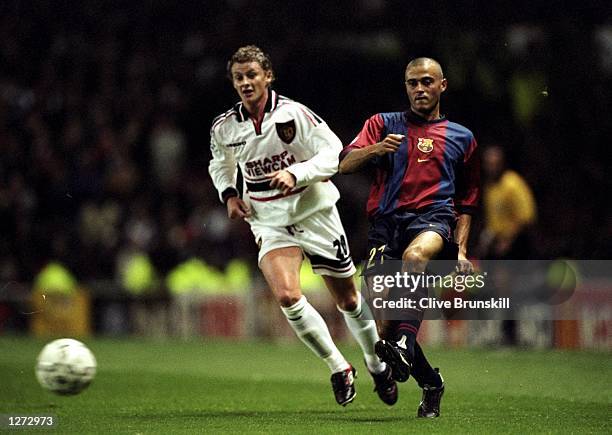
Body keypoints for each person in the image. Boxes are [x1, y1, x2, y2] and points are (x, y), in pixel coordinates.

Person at [208, 45, 396, 407]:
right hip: (268, 219)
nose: (246, 82)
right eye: (239, 77)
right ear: (233, 82)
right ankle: (339, 367)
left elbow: (333, 153)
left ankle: (376, 363)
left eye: (252, 75)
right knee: (288, 296)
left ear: (268, 76)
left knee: (348, 298)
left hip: (314, 211)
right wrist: (230, 195)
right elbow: (221, 163)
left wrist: (297, 173)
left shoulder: (294, 114)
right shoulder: (224, 126)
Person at [339, 57, 480, 417]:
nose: (420, 89)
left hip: (433, 220)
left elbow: (467, 201)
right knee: (385, 328)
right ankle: (431, 382)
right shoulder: (382, 124)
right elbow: (344, 164)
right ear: (406, 86)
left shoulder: (462, 138)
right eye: (413, 82)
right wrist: (376, 149)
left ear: (442, 85)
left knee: (416, 258)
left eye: (427, 82)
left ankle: (405, 340)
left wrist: (461, 250)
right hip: (386, 226)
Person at [477, 144, 537, 345]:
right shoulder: (490, 187)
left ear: (502, 164)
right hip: (498, 244)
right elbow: (494, 220)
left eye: (495, 163)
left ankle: (511, 334)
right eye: (488, 163)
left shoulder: (512, 183)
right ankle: (504, 332)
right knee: (500, 288)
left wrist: (508, 240)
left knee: (507, 288)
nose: (491, 167)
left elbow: (527, 215)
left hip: (516, 243)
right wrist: (487, 239)